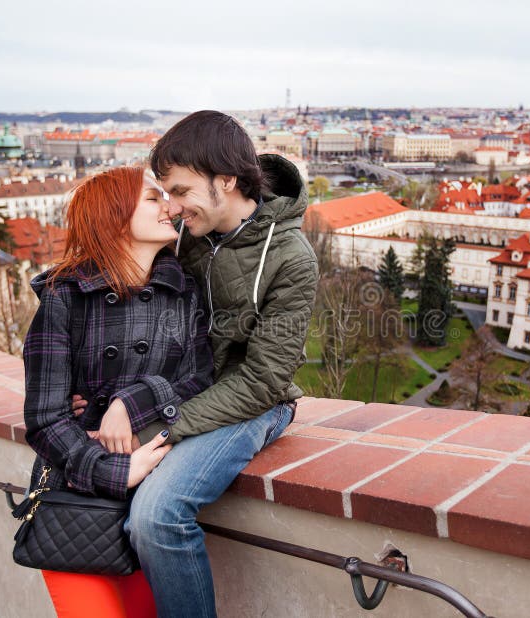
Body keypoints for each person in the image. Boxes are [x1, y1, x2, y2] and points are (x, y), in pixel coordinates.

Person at [87, 111, 319, 617]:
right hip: (184, 394)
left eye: (180, 190)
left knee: (155, 517)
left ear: (227, 181)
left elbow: (264, 380)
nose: (170, 207)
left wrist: (168, 427)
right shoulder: (189, 236)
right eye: (163, 192)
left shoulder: (292, 258)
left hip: (255, 403)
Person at [22, 166, 213, 617]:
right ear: (114, 216)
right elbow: (45, 418)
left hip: (153, 497)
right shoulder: (64, 296)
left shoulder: (185, 291)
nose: (169, 206)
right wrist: (114, 472)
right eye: (152, 198)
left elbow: (201, 380)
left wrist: (131, 402)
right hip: (78, 500)